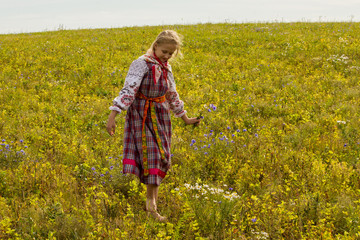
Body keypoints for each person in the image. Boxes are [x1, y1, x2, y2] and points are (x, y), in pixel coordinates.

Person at [106, 30, 201, 221]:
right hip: (141, 115)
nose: (166, 56)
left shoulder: (166, 68)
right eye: (164, 51)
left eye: (170, 54)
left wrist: (186, 118)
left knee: (161, 158)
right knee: (152, 158)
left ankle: (152, 204)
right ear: (155, 45)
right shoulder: (140, 64)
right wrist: (113, 115)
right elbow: (129, 90)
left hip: (160, 116)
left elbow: (172, 95)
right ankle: (152, 210)